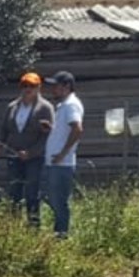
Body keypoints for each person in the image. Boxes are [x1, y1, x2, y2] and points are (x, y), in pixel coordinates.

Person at [0, 72, 55, 227]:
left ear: (38, 88)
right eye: (25, 86)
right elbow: (4, 129)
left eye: (32, 86)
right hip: (13, 155)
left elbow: (47, 136)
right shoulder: (12, 107)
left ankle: (33, 226)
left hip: (34, 159)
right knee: (14, 191)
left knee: (31, 193)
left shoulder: (45, 108)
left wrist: (31, 153)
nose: (28, 89)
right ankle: (13, 227)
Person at [43, 71, 84, 239]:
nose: (53, 89)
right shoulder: (63, 105)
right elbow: (66, 130)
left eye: (56, 85)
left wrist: (62, 154)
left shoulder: (71, 105)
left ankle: (62, 235)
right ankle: (59, 233)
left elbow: (77, 129)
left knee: (58, 200)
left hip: (62, 163)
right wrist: (51, 129)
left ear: (66, 86)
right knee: (52, 198)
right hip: (55, 162)